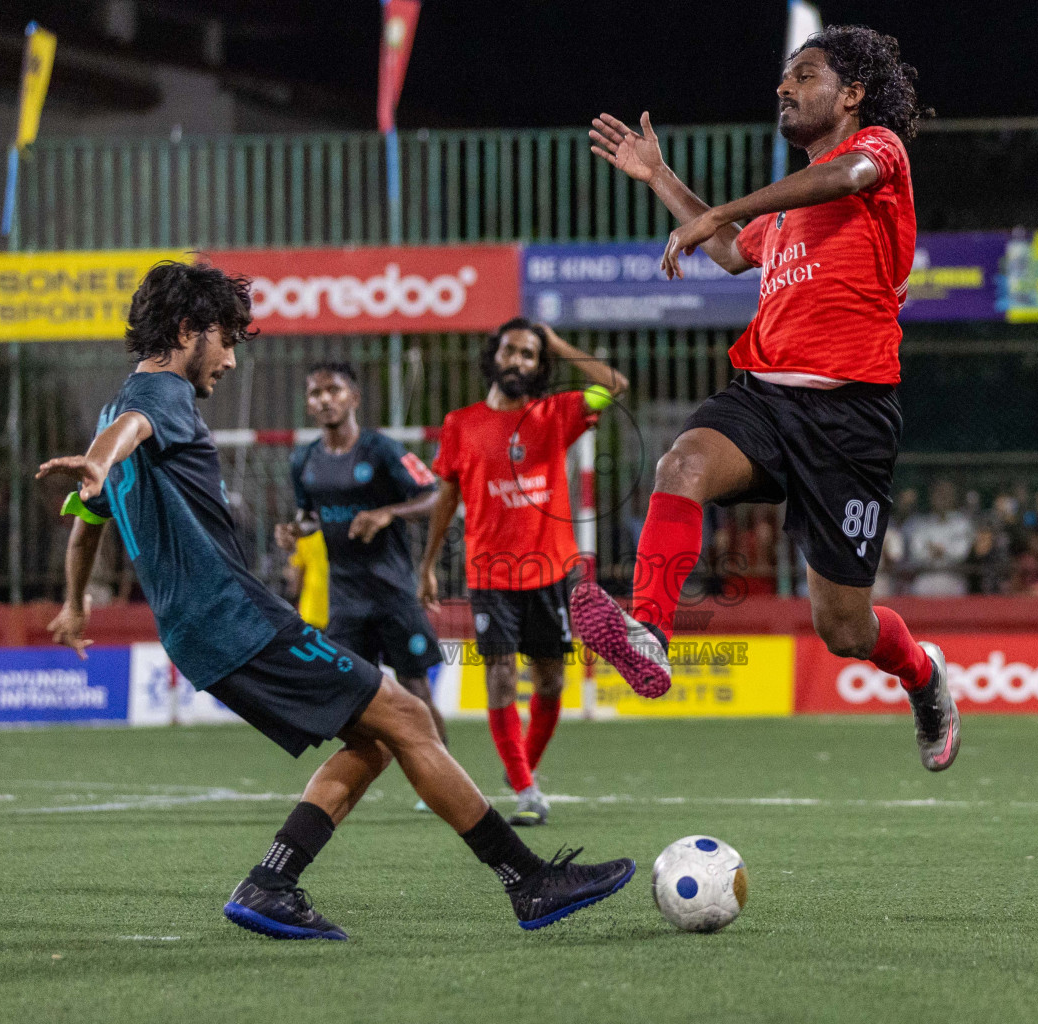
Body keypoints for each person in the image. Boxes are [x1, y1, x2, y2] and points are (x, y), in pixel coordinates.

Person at [37, 261, 632, 941]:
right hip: (237, 617)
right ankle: (527, 880)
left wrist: (76, 600)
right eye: (227, 338)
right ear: (186, 330)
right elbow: (133, 431)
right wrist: (101, 456)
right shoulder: (159, 397)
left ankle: (272, 884)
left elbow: (87, 522)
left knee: (378, 738)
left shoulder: (117, 405)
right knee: (409, 715)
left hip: (200, 632)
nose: (231, 359)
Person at [579, 25, 959, 771]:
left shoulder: (879, 154)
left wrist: (722, 210)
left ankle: (925, 676)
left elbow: (843, 176)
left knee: (844, 629)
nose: (784, 89)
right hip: (763, 399)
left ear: (851, 94)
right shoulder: (782, 214)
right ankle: (649, 631)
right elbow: (723, 250)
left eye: (804, 76)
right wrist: (660, 177)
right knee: (681, 464)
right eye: (784, 80)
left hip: (851, 419)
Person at [418, 318, 628, 826]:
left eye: (530, 355)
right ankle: (528, 788)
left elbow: (614, 386)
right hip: (489, 574)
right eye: (511, 351)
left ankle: (521, 776)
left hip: (552, 572)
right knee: (501, 678)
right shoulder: (460, 424)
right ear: (494, 356)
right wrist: (426, 564)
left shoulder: (558, 413)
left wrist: (557, 341)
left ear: (540, 366)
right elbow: (447, 496)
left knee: (552, 683)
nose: (517, 361)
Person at [277, 361, 447, 814]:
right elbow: (309, 515)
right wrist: (296, 529)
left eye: (333, 390)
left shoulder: (383, 451)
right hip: (346, 602)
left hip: (393, 594)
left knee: (416, 690)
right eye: (315, 393)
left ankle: (444, 784)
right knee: (351, 699)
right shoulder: (304, 460)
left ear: (353, 397)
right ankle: (354, 783)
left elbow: (435, 494)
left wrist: (388, 513)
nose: (324, 399)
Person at [904, 479, 973, 597]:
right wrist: (942, 551)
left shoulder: (962, 523)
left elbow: (961, 553)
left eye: (947, 494)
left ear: (953, 497)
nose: (943, 498)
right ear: (932, 496)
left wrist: (940, 550)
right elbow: (917, 554)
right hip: (926, 577)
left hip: (953, 578)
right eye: (939, 494)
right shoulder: (921, 523)